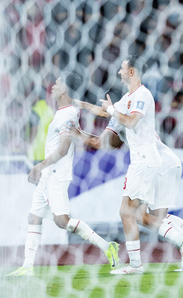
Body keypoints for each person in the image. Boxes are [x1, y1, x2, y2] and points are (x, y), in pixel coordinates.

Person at [71, 94, 183, 271]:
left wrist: (77, 133)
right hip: (169, 161)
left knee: (130, 213)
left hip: (153, 164)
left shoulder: (120, 116)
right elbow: (112, 141)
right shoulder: (130, 113)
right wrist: (85, 106)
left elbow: (100, 142)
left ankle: (151, 257)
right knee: (155, 217)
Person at [83, 56, 183, 274]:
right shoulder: (128, 97)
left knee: (127, 212)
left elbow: (131, 121)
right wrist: (78, 104)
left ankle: (148, 258)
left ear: (132, 71)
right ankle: (176, 244)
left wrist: (112, 110)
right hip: (142, 160)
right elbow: (107, 111)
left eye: (123, 67)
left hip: (144, 159)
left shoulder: (142, 95)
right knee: (136, 215)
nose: (119, 71)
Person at [6, 73, 119, 277]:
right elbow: (87, 106)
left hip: (55, 174)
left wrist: (39, 166)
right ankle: (27, 266)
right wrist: (103, 110)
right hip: (50, 174)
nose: (53, 85)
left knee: (62, 221)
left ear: (64, 89)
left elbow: (64, 148)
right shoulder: (69, 107)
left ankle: (107, 246)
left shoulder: (67, 116)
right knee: (34, 216)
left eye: (57, 83)